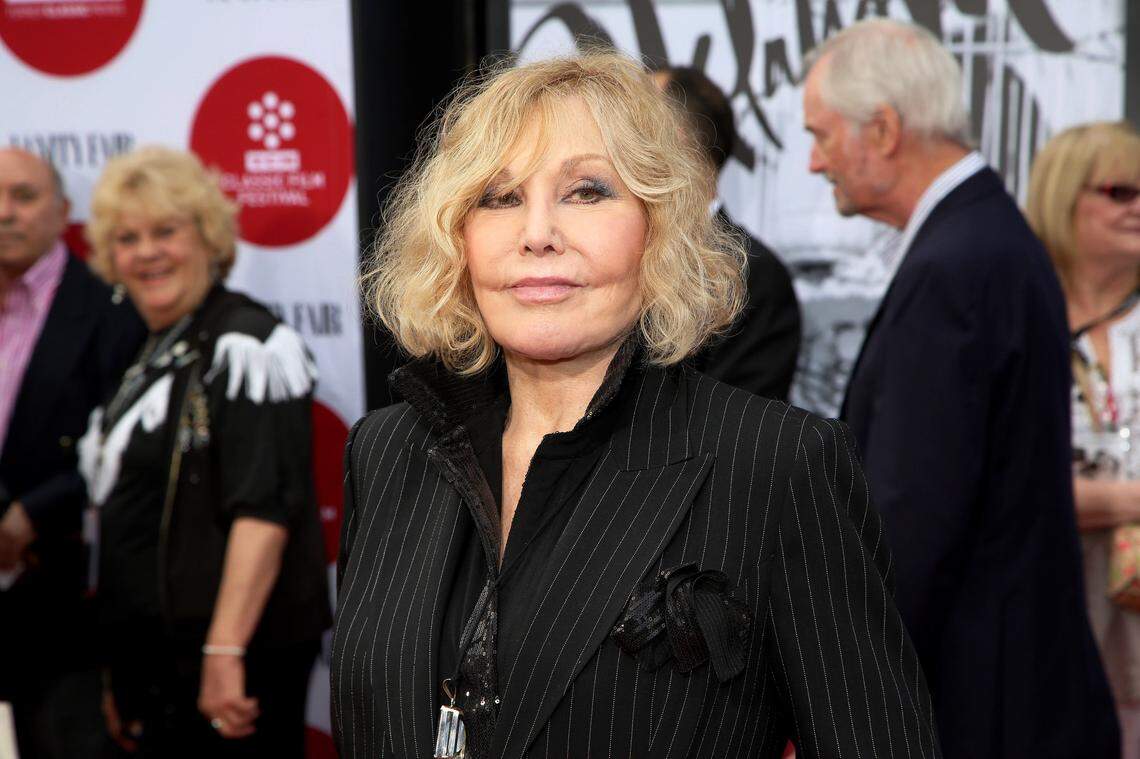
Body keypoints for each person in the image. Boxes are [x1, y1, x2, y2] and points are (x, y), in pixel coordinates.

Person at [332, 52, 939, 759]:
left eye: (586, 191)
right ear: (455, 238)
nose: (536, 233)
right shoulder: (384, 453)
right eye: (498, 197)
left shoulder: (777, 465)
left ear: (659, 229)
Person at [802, 18, 1118, 758]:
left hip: (982, 693)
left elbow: (913, 515)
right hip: (1014, 672)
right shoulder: (983, 236)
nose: (816, 163)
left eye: (822, 136)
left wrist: (847, 688)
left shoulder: (957, 265)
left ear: (881, 130)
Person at [77, 146, 330, 758]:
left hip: (229, 666)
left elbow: (263, 514)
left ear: (208, 238)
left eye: (166, 230)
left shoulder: (249, 344)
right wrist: (122, 672)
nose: (147, 252)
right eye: (129, 237)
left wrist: (224, 652)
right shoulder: (147, 352)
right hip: (157, 667)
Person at [0, 148, 144, 758]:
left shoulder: (112, 309)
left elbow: (126, 446)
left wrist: (31, 514)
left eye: (24, 196)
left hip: (60, 601)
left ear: (63, 212)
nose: (5, 213)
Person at [1026, 121, 1140, 758]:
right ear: (1064, 198)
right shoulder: (1020, 319)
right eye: (1120, 190)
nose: (1139, 207)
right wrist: (1128, 502)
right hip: (1053, 596)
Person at [653, 65, 801, 400]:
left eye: (635, 125)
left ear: (671, 139)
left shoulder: (756, 276)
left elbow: (746, 422)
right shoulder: (617, 257)